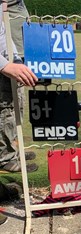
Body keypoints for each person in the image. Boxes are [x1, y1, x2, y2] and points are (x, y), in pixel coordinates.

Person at [0, 2, 38, 172]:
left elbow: (2, 33)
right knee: (5, 109)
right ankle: (5, 158)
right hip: (4, 66)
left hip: (10, 60)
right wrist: (4, 65)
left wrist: (15, 59)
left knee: (16, 106)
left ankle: (14, 149)